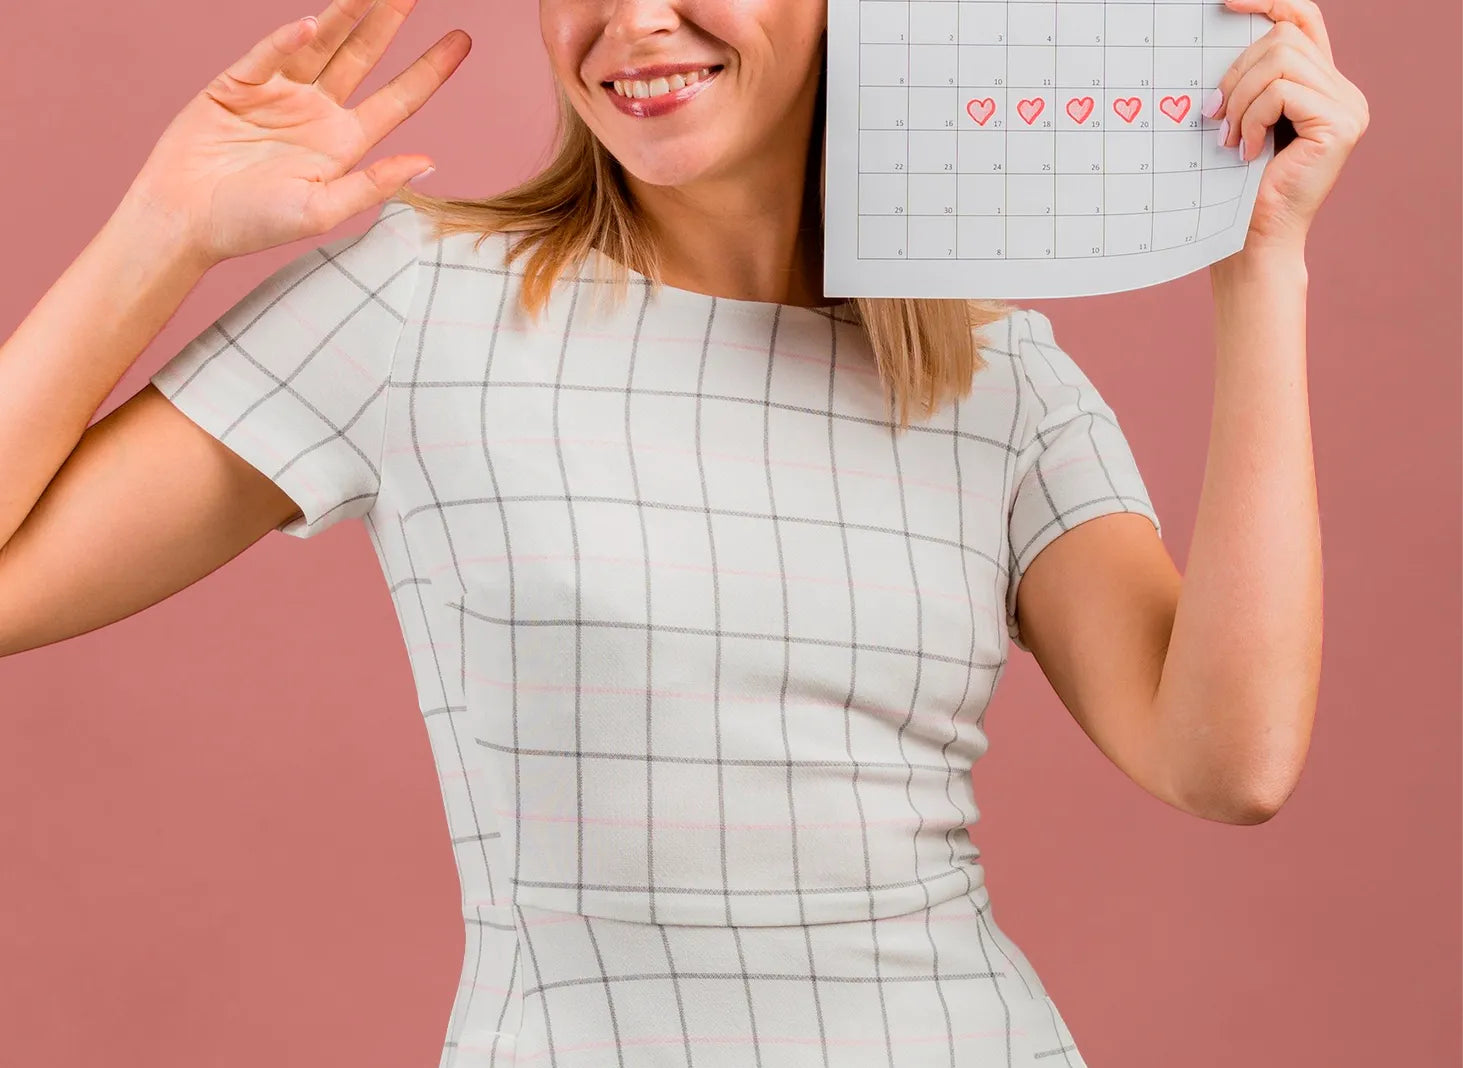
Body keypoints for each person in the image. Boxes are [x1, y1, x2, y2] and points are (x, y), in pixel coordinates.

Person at [0, 0, 1366, 1063]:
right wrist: (162, 229)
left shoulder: (999, 381)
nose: (636, 19)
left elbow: (1227, 760)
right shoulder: (419, 304)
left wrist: (1260, 270)